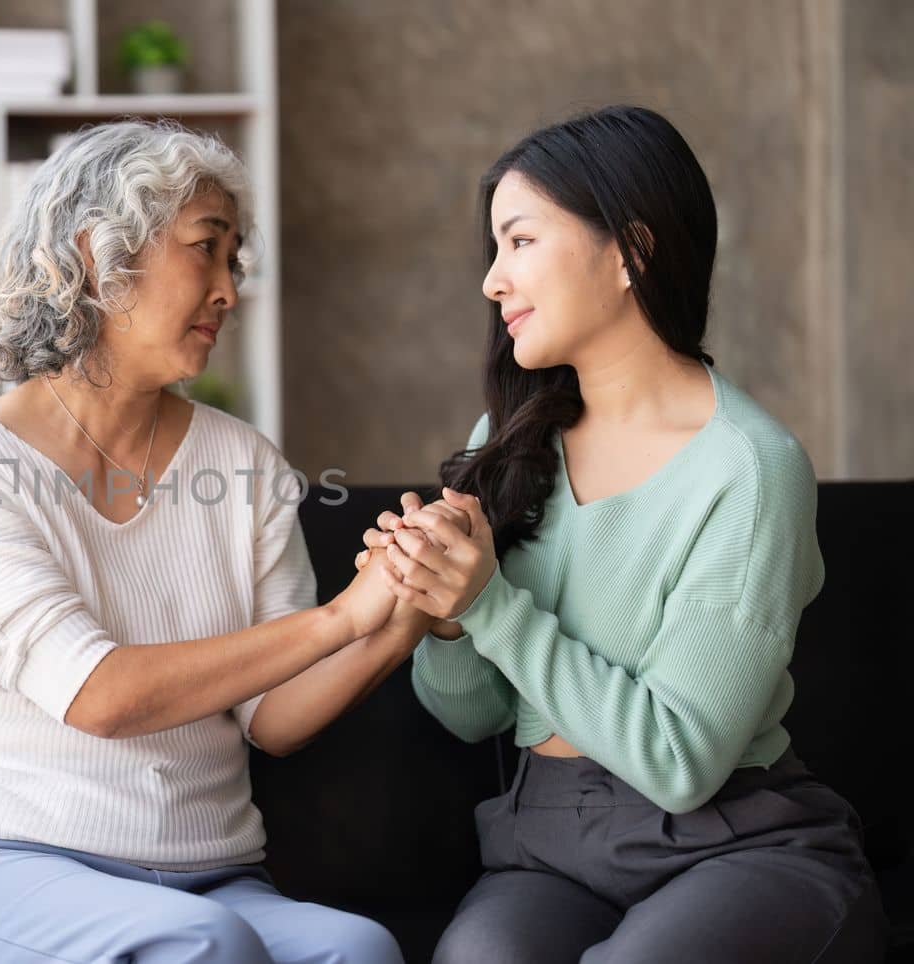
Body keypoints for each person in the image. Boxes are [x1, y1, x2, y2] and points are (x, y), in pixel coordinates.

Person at [0, 118, 433, 963]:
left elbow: (275, 721)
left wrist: (399, 606)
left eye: (234, 260)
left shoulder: (242, 460)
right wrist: (338, 618)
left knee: (357, 950)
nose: (228, 290)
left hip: (212, 878)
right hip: (2, 865)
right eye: (205, 250)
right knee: (201, 944)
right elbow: (101, 696)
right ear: (99, 257)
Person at [356, 104, 889, 963]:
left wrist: (491, 606)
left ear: (632, 252)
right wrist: (447, 617)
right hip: (548, 844)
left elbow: (680, 761)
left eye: (520, 242)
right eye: (494, 250)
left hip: (732, 839)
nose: (493, 281)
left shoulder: (748, 469)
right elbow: (471, 715)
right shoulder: (509, 441)